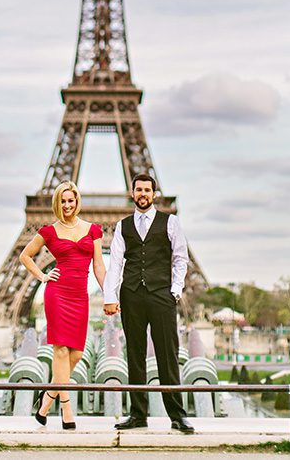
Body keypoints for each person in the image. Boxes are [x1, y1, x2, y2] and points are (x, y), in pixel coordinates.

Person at [103, 174, 194, 434]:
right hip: (132, 295)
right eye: (138, 189)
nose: (143, 193)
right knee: (135, 355)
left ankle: (177, 415)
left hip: (161, 294)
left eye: (147, 189)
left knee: (168, 355)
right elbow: (116, 264)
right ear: (132, 193)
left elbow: (180, 258)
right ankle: (138, 414)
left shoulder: (171, 222)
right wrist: (110, 297)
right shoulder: (123, 226)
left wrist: (174, 291)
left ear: (153, 194)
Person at [19, 181, 105, 430]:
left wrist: (110, 293)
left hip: (80, 295)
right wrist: (42, 276)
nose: (68, 205)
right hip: (57, 293)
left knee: (77, 354)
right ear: (58, 203)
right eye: (63, 201)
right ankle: (67, 408)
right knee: (60, 351)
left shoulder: (93, 230)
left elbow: (98, 265)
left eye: (71, 200)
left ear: (77, 201)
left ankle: (46, 399)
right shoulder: (48, 231)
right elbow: (25, 255)